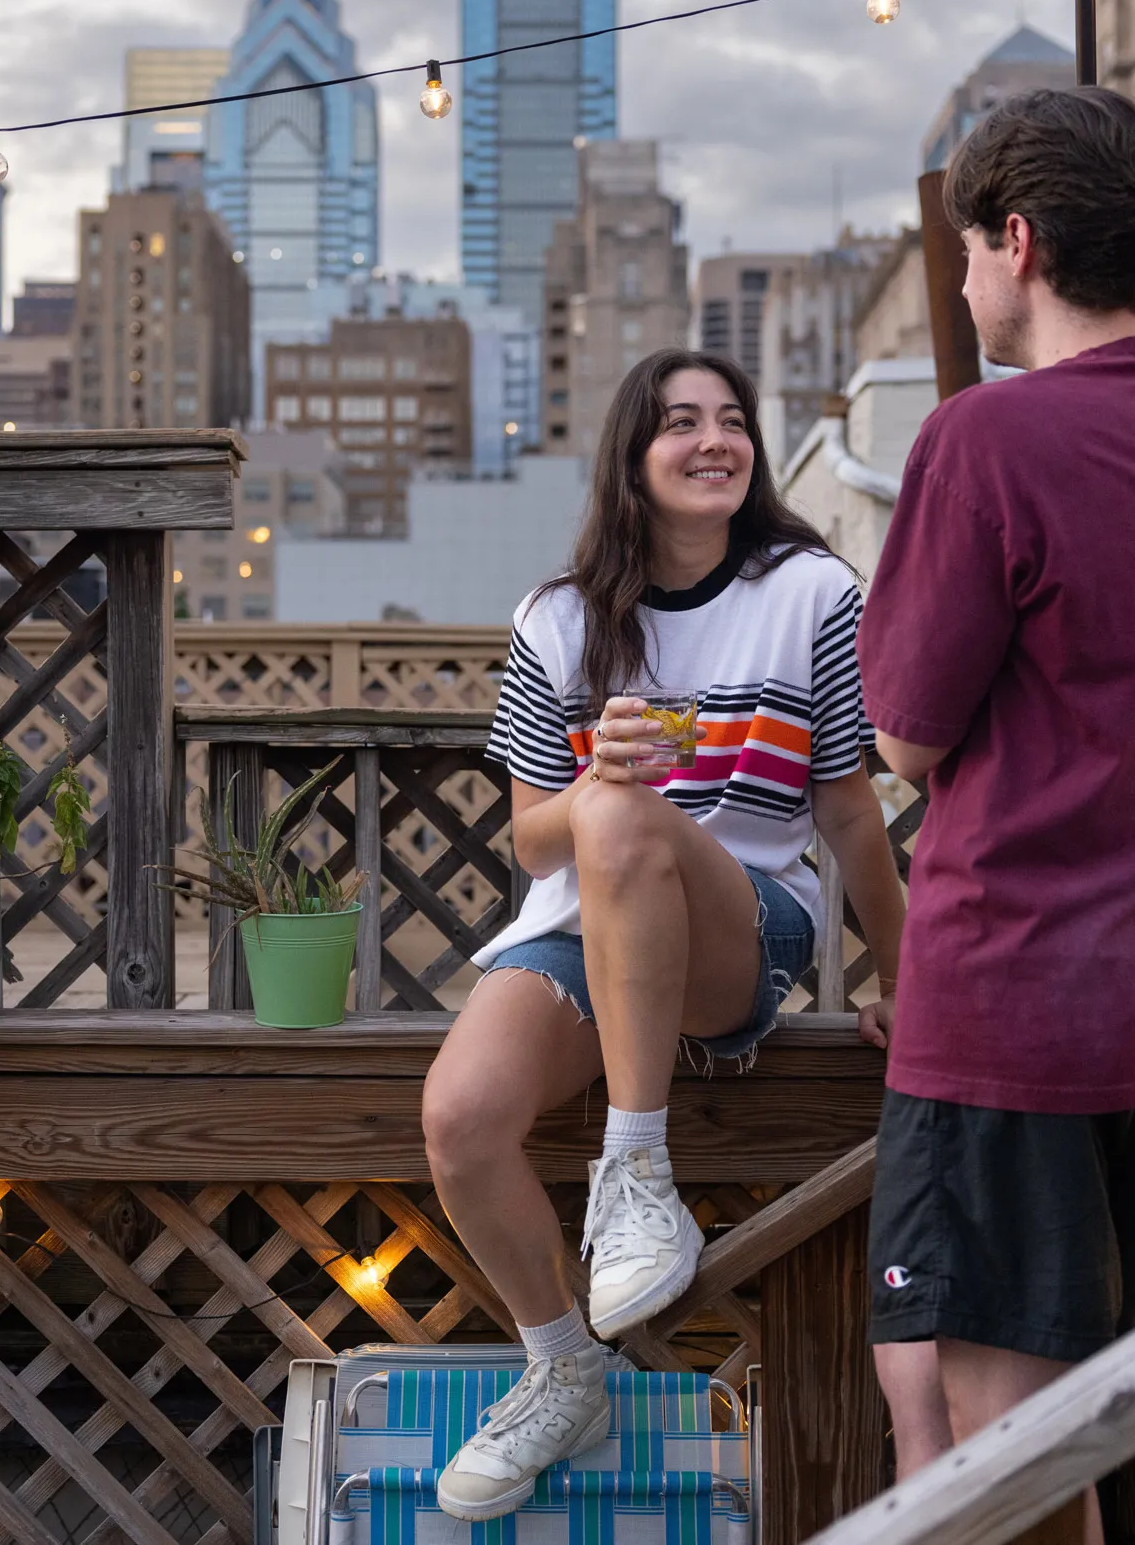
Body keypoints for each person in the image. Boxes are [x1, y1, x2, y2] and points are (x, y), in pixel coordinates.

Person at [422, 348, 909, 1521]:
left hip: (750, 920)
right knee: (460, 1117)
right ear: (632, 457)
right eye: (681, 422)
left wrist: (911, 976)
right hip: (589, 916)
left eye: (732, 420)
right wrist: (593, 780)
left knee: (630, 819)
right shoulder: (557, 618)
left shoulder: (813, 595)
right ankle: (563, 1365)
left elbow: (846, 804)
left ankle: (635, 1172)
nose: (713, 441)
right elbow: (532, 841)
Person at [858, 87, 1135, 1540]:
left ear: (1017, 242)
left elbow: (899, 732)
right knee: (956, 1406)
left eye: (963, 251)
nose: (957, 280)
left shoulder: (983, 446)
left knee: (1002, 1464)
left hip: (1006, 1003)